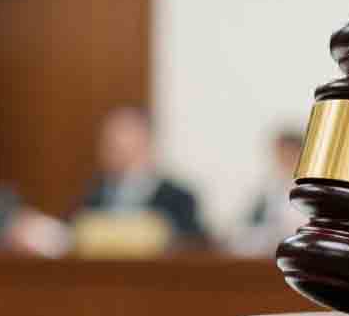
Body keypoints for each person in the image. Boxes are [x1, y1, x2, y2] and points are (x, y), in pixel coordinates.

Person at [77, 106, 206, 243]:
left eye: (124, 132)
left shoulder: (179, 199)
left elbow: (194, 243)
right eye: (107, 139)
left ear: (145, 139)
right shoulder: (94, 195)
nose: (112, 142)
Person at [229, 128, 308, 256]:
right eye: (280, 154)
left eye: (289, 153)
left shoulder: (309, 190)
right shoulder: (268, 190)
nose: (283, 159)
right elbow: (247, 226)